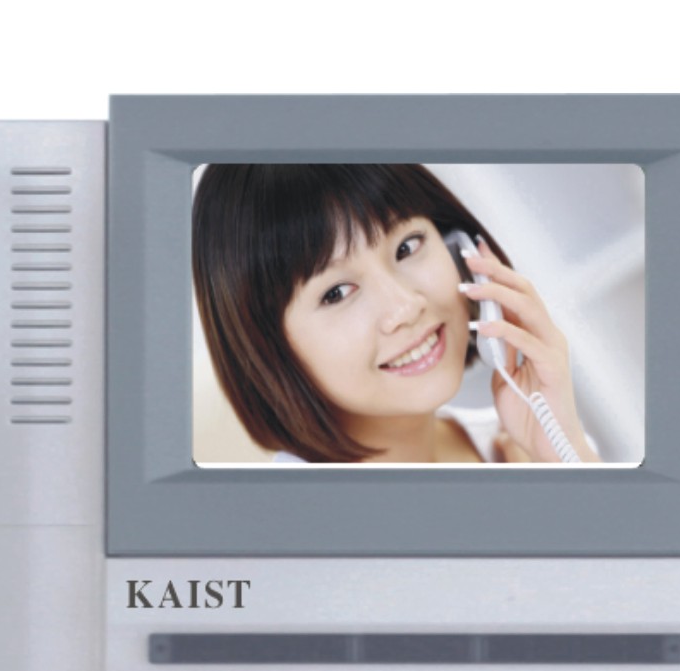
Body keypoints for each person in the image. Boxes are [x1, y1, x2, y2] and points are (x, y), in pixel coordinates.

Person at [192, 164, 599, 466]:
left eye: (407, 247)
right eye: (336, 293)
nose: (404, 307)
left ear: (459, 249)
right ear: (267, 348)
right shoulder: (288, 532)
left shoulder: (528, 446)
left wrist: (565, 459)